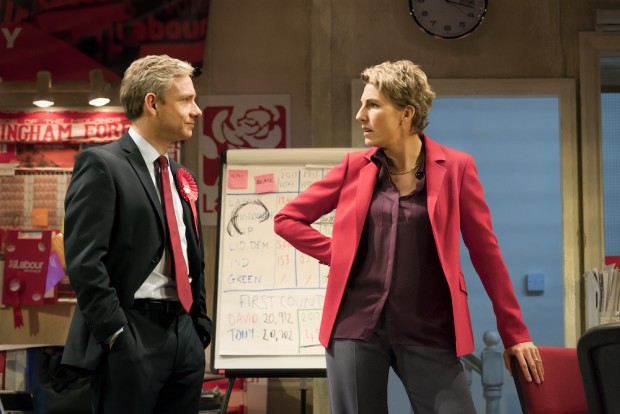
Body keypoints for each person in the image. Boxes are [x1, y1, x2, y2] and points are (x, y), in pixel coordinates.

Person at [274, 59, 544, 414]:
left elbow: (486, 254)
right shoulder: (354, 168)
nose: (360, 115)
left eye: (372, 105)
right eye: (362, 104)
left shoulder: (457, 168)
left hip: (429, 327)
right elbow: (287, 219)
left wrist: (515, 333)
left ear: (406, 114)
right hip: (355, 325)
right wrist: (340, 254)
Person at [61, 54, 211, 414]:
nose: (197, 110)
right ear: (153, 103)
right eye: (186, 99)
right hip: (131, 334)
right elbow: (84, 262)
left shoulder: (178, 174)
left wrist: (198, 326)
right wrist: (115, 332)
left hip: (184, 335)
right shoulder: (102, 165)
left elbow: (191, 255)